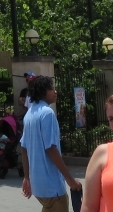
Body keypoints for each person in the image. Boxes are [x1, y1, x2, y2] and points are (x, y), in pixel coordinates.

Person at [19, 76, 81, 211]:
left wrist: (27, 177)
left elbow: (24, 148)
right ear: (43, 91)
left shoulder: (29, 114)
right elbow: (51, 148)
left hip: (38, 186)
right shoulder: (47, 113)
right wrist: (69, 179)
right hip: (52, 187)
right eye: (52, 88)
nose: (55, 91)